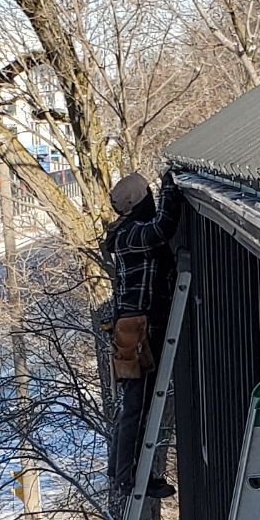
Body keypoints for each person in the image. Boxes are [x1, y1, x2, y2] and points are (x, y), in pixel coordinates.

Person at [101, 170, 174, 494]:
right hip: (137, 328)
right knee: (136, 405)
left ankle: (123, 473)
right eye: (150, 195)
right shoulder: (133, 234)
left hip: (134, 326)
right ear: (140, 202)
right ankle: (128, 478)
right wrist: (171, 188)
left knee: (134, 404)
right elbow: (162, 228)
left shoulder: (128, 231)